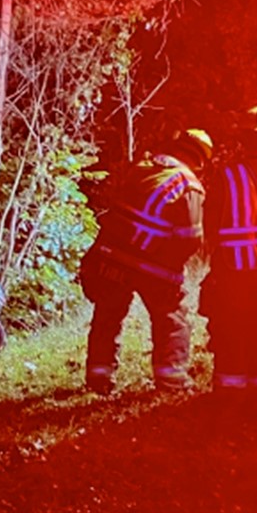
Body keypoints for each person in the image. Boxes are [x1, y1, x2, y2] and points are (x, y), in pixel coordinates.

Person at [80, 129, 213, 394]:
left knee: (108, 314)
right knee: (172, 318)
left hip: (113, 257)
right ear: (200, 160)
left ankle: (99, 377)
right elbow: (190, 237)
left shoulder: (143, 166)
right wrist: (174, 268)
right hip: (153, 266)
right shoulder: (190, 185)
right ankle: (172, 379)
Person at [203, 106, 257, 391]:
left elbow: (211, 224)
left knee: (231, 328)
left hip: (232, 268)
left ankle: (230, 388)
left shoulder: (225, 176)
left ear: (242, 139)